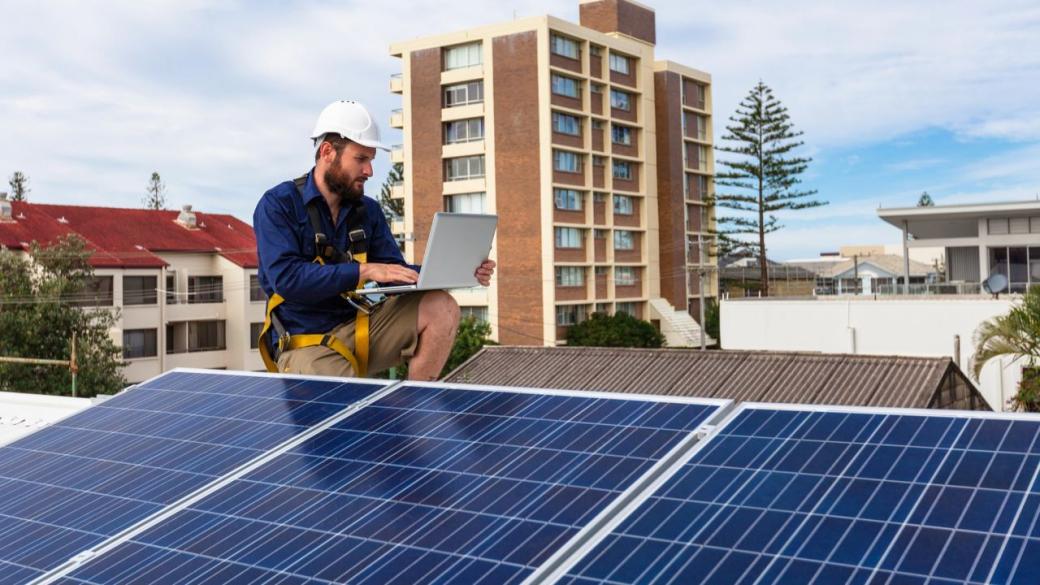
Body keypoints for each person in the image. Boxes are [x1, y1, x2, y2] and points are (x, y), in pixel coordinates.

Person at [253, 100, 495, 380]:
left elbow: (393, 274)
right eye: (361, 159)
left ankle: (417, 403)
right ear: (327, 152)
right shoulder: (278, 205)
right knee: (344, 412)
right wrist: (364, 270)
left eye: (371, 160)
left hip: (362, 328)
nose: (369, 171)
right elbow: (288, 279)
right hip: (307, 342)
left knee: (442, 307)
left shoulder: (367, 210)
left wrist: (455, 270)